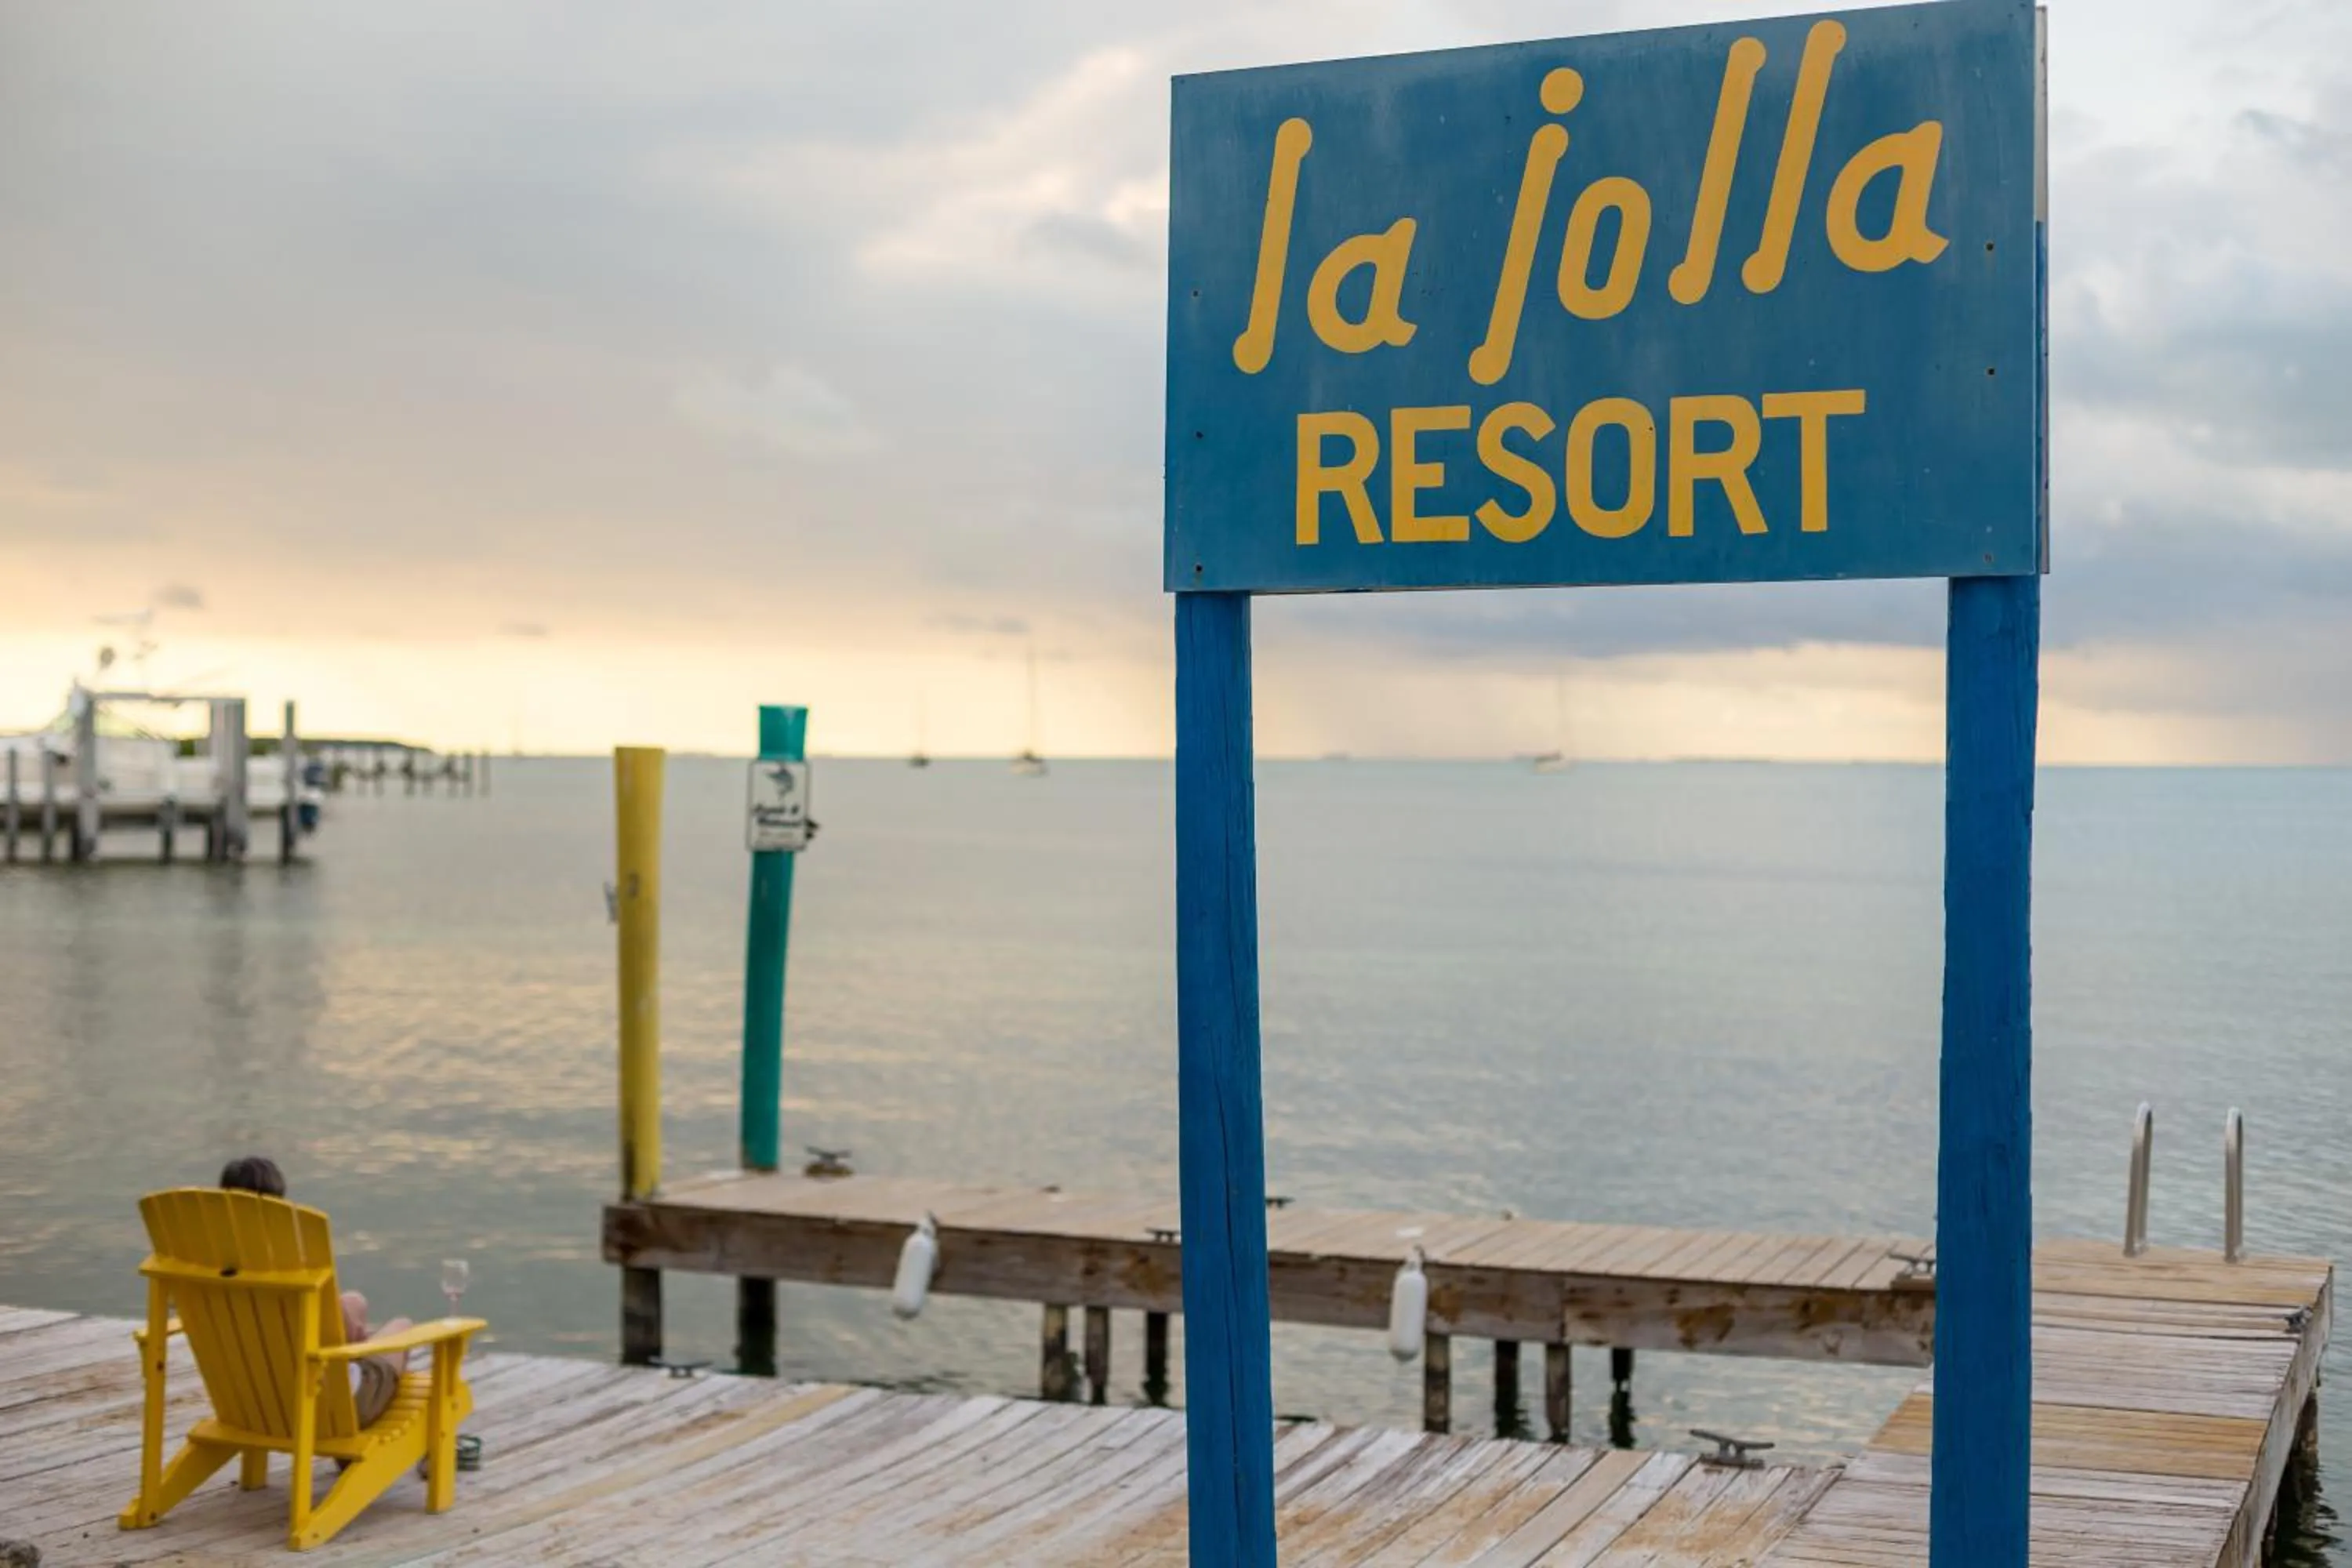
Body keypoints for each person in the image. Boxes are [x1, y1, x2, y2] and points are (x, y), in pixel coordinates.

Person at [217, 1156, 411, 1427]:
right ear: (277, 1203)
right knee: (403, 1327)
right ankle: (354, 1431)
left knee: (353, 1302)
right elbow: (331, 1329)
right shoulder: (290, 1261)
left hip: (252, 1403)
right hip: (325, 1407)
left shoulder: (209, 1261)